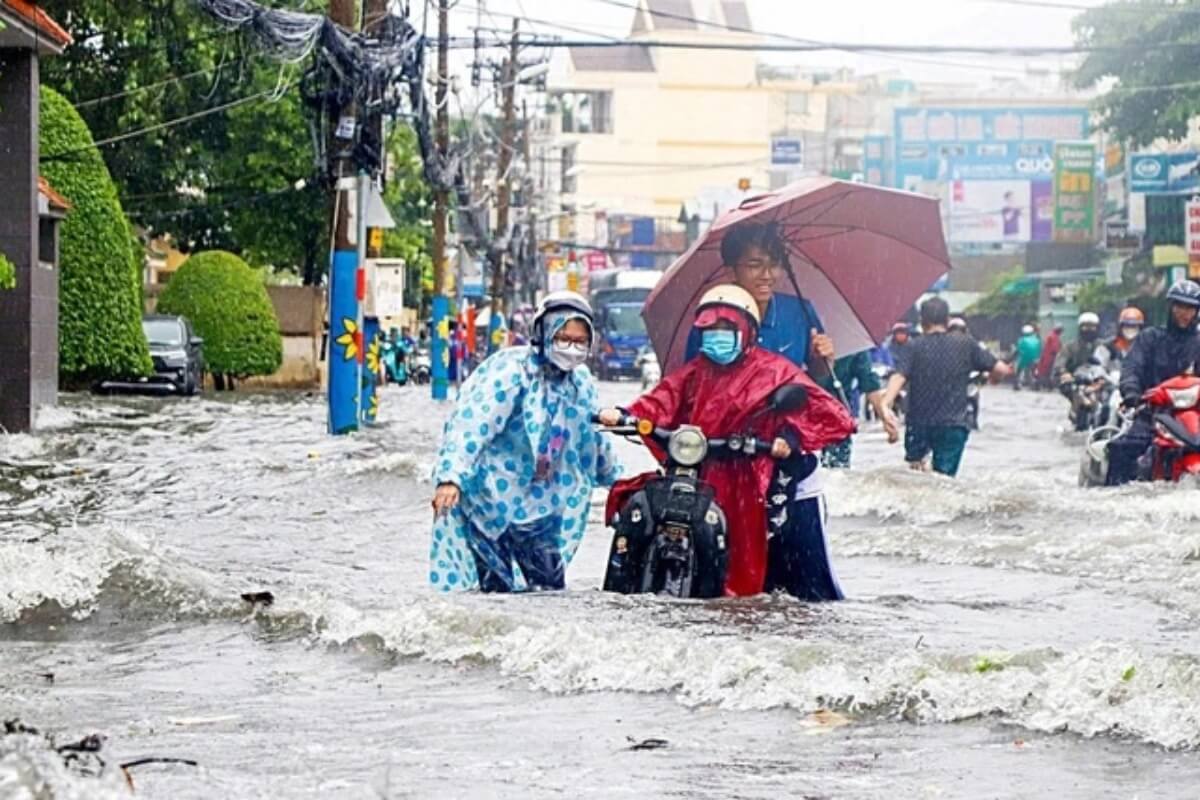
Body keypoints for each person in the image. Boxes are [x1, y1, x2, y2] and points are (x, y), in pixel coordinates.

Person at [599, 285, 855, 598]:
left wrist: (786, 438)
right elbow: (661, 401)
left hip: (752, 475)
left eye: (727, 328)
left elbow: (828, 415)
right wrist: (623, 414)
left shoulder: (774, 371)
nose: (717, 335)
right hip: (702, 470)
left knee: (761, 568)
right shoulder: (694, 372)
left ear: (747, 331)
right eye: (711, 328)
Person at [428, 291, 621, 592]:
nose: (571, 348)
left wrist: (622, 486)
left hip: (541, 506)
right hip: (490, 500)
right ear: (543, 334)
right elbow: (473, 424)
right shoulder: (511, 371)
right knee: (495, 592)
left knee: (548, 590)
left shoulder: (579, 381)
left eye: (580, 341)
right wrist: (451, 477)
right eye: (563, 338)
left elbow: (591, 440)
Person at [882, 296, 1011, 477]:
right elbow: (1001, 369)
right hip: (952, 425)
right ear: (947, 320)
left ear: (922, 321)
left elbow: (899, 376)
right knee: (944, 481)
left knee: (915, 477)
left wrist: (885, 405)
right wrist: (993, 378)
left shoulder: (914, 346)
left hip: (919, 424)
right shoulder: (965, 344)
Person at [685, 222, 835, 374]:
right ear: (731, 271)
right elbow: (696, 384)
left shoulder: (800, 312)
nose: (767, 275)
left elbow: (816, 382)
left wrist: (822, 363)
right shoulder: (711, 321)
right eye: (755, 265)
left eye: (774, 264)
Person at [1106, 281, 1200, 486]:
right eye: (1180, 306)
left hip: (1194, 414)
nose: (1185, 313)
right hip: (1153, 413)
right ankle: (1111, 496)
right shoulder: (1150, 338)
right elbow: (1132, 368)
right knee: (1123, 448)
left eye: (1191, 308)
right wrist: (1132, 393)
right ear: (1171, 307)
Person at [820, 351, 899, 468]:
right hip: (810, 411)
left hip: (836, 416)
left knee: (835, 468)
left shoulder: (853, 348)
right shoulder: (852, 344)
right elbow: (869, 383)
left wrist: (884, 415)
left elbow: (869, 383)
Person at [1055, 312, 1102, 389]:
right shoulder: (1070, 346)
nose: (1089, 329)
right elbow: (1060, 363)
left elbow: (1113, 363)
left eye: (1092, 327)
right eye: (1086, 327)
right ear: (1080, 328)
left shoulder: (1103, 345)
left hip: (1099, 381)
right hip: (1077, 382)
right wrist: (1064, 373)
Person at [1014, 324, 1042, 390]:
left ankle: (1018, 384)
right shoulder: (1037, 340)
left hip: (1024, 359)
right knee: (1033, 371)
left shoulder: (1022, 340)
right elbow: (1040, 350)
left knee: (1019, 370)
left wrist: (1014, 356)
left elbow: (1018, 350)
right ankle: (1035, 383)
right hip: (1035, 359)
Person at [1035, 323, 1063, 390]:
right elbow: (1054, 348)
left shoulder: (1053, 335)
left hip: (1048, 356)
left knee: (1046, 372)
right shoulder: (1053, 336)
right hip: (1049, 357)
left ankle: (1046, 385)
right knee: (1045, 372)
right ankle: (1041, 385)